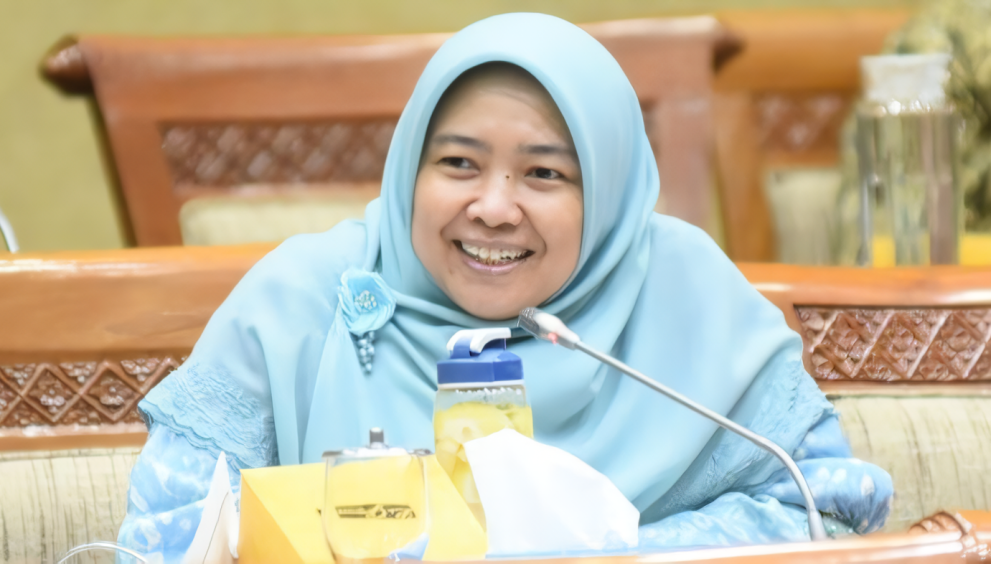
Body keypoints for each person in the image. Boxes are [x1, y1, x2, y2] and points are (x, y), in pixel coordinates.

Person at [117, 13, 892, 561]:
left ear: (608, 194)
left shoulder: (686, 295)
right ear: (409, 167)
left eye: (544, 173)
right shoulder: (301, 300)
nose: (492, 207)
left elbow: (827, 508)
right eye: (458, 163)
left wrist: (607, 556)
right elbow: (162, 537)